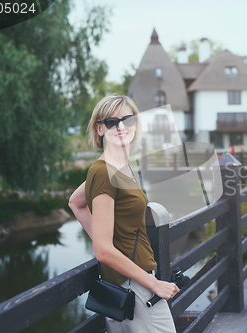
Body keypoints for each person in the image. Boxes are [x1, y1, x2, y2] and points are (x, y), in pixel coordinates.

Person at [68, 93, 179, 333]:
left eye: (127, 119)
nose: (120, 126)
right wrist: (154, 284)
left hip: (132, 281)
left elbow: (75, 202)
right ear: (100, 129)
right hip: (135, 286)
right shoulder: (104, 171)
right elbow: (102, 250)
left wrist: (103, 239)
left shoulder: (119, 167)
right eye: (111, 122)